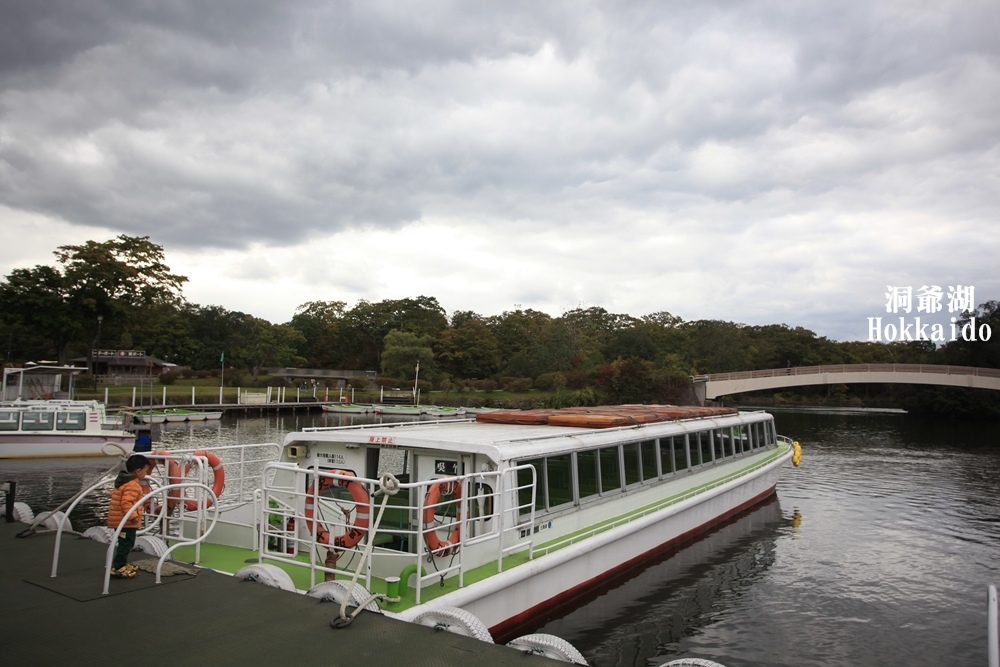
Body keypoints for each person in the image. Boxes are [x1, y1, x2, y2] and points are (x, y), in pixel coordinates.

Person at [106, 454, 151, 578]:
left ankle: (122, 564)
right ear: (138, 471)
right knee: (126, 545)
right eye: (145, 471)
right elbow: (126, 503)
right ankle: (118, 567)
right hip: (125, 522)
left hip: (120, 520)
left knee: (124, 543)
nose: (146, 474)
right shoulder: (132, 485)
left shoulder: (123, 481)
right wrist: (133, 516)